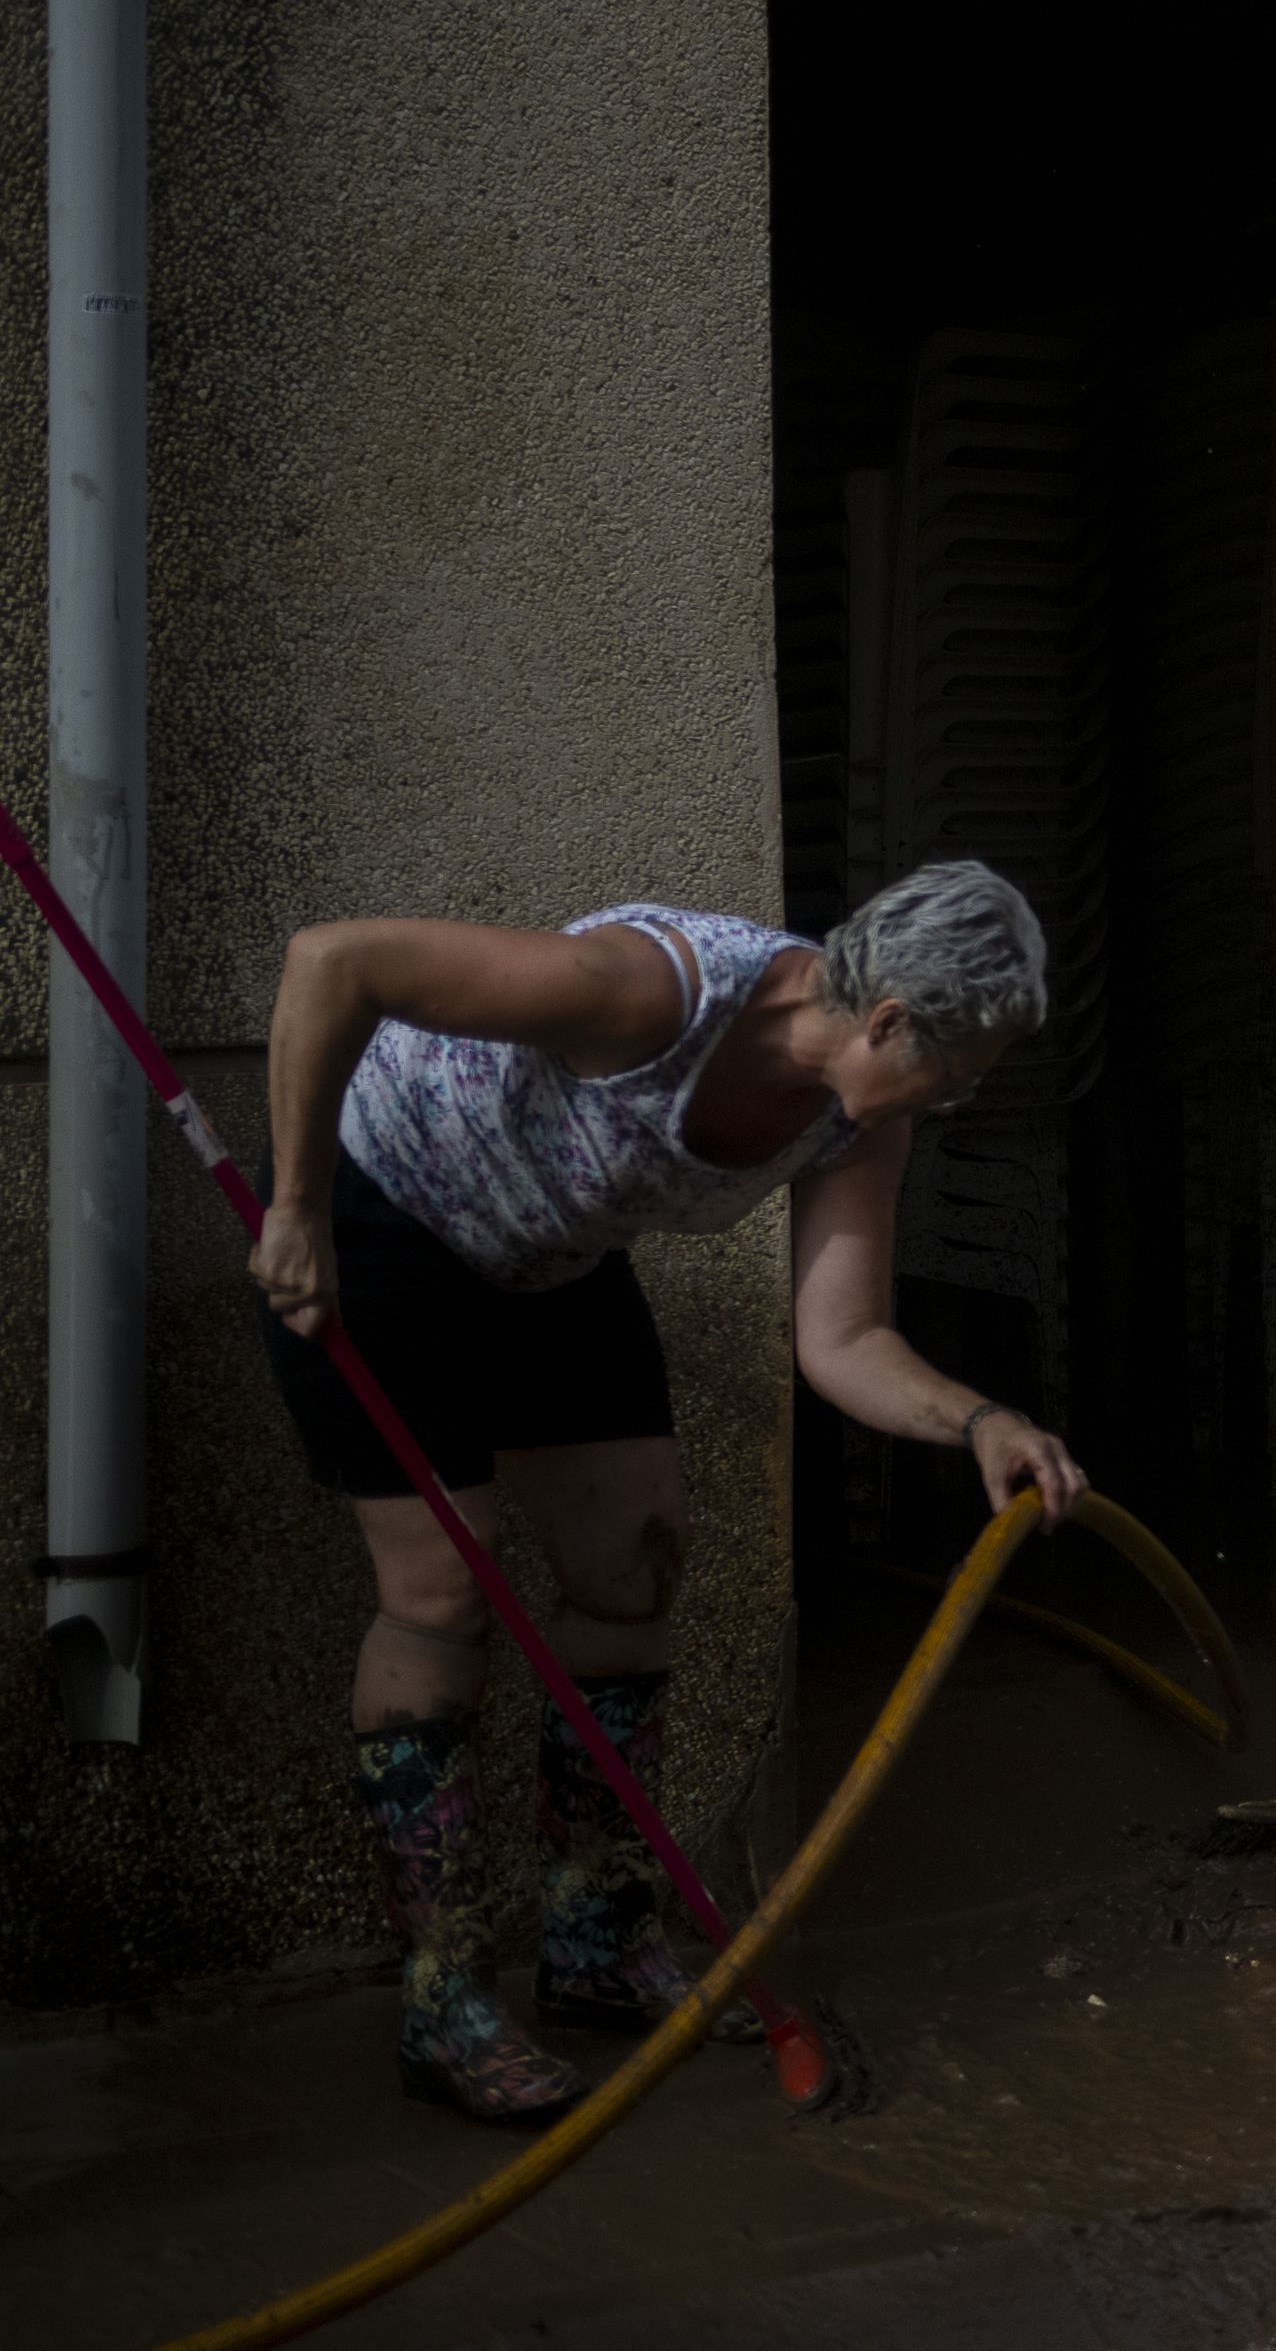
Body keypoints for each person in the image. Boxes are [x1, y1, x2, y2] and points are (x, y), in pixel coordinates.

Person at [254, 859, 1088, 2120]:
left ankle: (594, 1940)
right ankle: (445, 1994)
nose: (959, 1097)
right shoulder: (654, 992)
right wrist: (299, 1207)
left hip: (552, 1254)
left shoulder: (859, 1115)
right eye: (958, 1069)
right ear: (889, 1023)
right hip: (387, 1225)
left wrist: (979, 1421)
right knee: (440, 1600)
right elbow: (334, 961)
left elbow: (843, 1340)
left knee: (632, 1564)